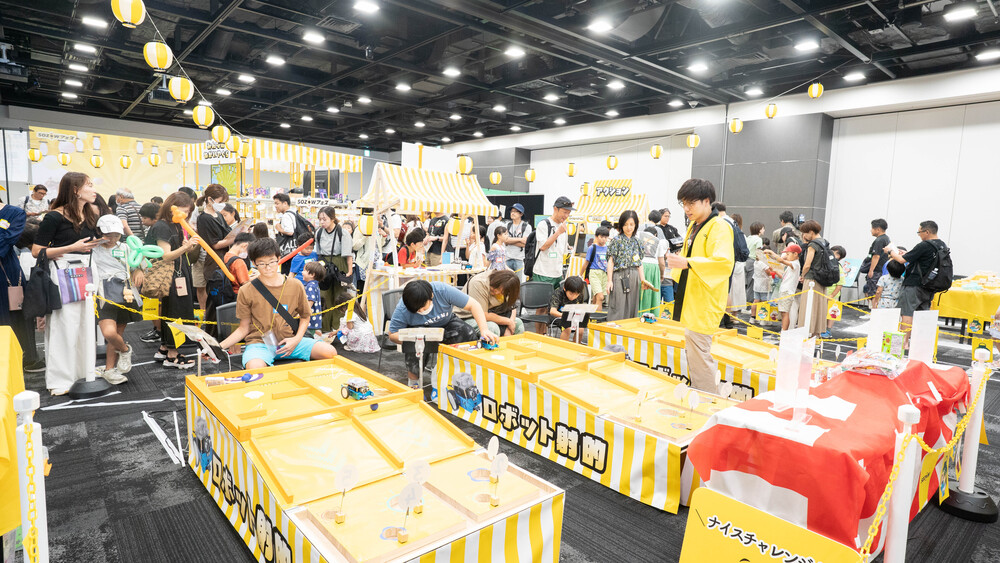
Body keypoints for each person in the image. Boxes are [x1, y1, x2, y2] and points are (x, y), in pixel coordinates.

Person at [32, 173, 105, 394]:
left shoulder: (91, 213)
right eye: (89, 185)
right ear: (75, 189)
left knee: (85, 324)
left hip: (87, 271)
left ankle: (84, 372)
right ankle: (61, 379)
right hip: (63, 273)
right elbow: (37, 251)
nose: (93, 190)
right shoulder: (54, 217)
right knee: (63, 326)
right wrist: (72, 248)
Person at [218, 238, 338, 368]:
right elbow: (243, 328)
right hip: (260, 344)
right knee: (255, 367)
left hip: (290, 341)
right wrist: (218, 348)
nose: (268, 267)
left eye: (272, 262)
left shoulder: (296, 285)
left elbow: (305, 316)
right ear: (253, 263)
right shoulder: (246, 290)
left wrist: (296, 339)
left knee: (330, 352)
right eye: (262, 263)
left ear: (278, 258)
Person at [669, 179, 734, 392]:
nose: (686, 209)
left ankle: (709, 400)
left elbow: (723, 263)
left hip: (705, 301)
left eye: (691, 203)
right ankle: (704, 396)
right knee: (696, 353)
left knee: (700, 356)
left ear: (707, 201)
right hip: (694, 298)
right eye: (684, 203)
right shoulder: (696, 226)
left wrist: (687, 262)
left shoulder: (719, 226)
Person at [388, 280, 497, 388]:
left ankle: (462, 375)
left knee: (467, 333)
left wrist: (484, 330)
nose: (421, 311)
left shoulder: (442, 291)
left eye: (423, 307)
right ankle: (413, 383)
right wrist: (413, 339)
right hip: (420, 331)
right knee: (414, 345)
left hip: (446, 323)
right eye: (417, 311)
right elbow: (392, 334)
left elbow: (474, 305)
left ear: (431, 296)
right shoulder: (403, 308)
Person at [146, 192, 201, 369]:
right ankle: (172, 354)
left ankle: (165, 348)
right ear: (172, 208)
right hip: (171, 275)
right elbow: (166, 256)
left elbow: (178, 251)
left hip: (178, 273)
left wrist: (188, 246)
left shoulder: (175, 224)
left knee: (174, 310)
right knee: (175, 312)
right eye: (183, 210)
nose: (185, 214)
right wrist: (186, 247)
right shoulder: (162, 226)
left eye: (188, 211)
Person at [91, 214, 143, 384]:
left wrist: (139, 270)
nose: (112, 239)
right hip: (102, 294)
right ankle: (125, 350)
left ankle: (109, 370)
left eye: (116, 235)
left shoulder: (126, 247)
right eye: (108, 234)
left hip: (124, 292)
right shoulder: (92, 248)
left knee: (117, 333)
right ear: (100, 231)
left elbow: (140, 260)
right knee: (109, 333)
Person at [886, 220, 948, 346]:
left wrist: (890, 251)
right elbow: (922, 259)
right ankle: (919, 344)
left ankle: (903, 343)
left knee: (907, 313)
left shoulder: (924, 245)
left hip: (914, 284)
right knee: (922, 315)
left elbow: (901, 260)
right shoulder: (942, 245)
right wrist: (907, 254)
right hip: (930, 285)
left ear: (927, 232)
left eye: (919, 232)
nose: (919, 235)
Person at [606, 210, 655, 322]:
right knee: (617, 306)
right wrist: (609, 281)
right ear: (621, 225)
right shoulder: (616, 241)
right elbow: (611, 261)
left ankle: (628, 330)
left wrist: (643, 280)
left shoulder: (638, 242)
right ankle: (614, 330)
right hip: (619, 276)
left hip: (634, 276)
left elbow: (639, 263)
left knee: (633, 306)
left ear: (636, 225)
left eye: (631, 224)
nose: (629, 227)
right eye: (626, 224)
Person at [196, 184, 237, 311]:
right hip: (214, 262)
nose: (222, 205)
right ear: (210, 199)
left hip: (225, 258)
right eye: (220, 202)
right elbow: (214, 245)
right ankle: (213, 322)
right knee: (215, 300)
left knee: (226, 296)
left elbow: (227, 233)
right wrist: (234, 238)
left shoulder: (218, 215)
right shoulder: (203, 218)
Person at [314, 206, 355, 332]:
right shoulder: (319, 232)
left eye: (324, 219)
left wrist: (349, 271)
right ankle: (325, 327)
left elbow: (348, 255)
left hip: (339, 264)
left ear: (332, 218)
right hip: (324, 264)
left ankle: (339, 328)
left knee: (340, 296)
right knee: (324, 295)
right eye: (320, 219)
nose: (322, 222)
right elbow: (318, 253)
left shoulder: (343, 233)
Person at [457, 269, 523, 337]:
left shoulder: (507, 284)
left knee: (518, 323)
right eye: (495, 289)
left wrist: (511, 322)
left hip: (494, 314)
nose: (497, 292)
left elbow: (512, 306)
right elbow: (483, 315)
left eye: (502, 292)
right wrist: (508, 322)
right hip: (468, 316)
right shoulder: (479, 283)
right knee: (492, 328)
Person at [796, 220, 830, 338]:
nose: (804, 236)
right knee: (820, 307)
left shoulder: (813, 245)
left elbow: (807, 264)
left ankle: (808, 334)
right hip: (822, 279)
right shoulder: (825, 242)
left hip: (811, 279)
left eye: (805, 233)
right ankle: (817, 334)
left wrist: (802, 275)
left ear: (811, 232)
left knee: (808, 306)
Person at [533, 197, 573, 289]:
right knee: (541, 298)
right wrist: (558, 232)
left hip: (558, 275)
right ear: (555, 209)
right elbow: (543, 247)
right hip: (542, 273)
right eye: (564, 212)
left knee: (556, 298)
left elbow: (562, 252)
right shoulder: (544, 224)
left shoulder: (564, 228)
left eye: (569, 213)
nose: (566, 215)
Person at [766, 244, 802, 331]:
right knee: (783, 313)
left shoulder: (795, 264)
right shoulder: (792, 265)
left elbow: (781, 260)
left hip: (787, 291)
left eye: (788, 254)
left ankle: (784, 331)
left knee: (785, 313)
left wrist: (771, 253)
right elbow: (783, 277)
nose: (786, 256)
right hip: (785, 290)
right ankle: (784, 330)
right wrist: (775, 271)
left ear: (795, 254)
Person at [863, 218, 891, 308]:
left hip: (877, 270)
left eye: (872, 228)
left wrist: (871, 270)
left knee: (873, 292)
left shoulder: (879, 240)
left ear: (878, 229)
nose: (870, 230)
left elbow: (876, 256)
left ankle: (873, 312)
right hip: (883, 270)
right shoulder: (886, 238)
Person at [549, 276, 587, 340]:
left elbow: (579, 307)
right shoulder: (558, 293)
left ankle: (576, 345)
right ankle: (563, 345)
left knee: (581, 328)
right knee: (568, 328)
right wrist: (566, 316)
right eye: (571, 294)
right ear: (564, 289)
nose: (573, 297)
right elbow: (552, 311)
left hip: (572, 316)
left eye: (576, 294)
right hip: (557, 315)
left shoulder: (580, 294)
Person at [581, 226, 609, 310]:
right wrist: (579, 275)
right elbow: (586, 263)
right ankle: (598, 317)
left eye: (605, 237)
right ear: (596, 237)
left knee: (596, 297)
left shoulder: (608, 249)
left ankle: (592, 315)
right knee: (600, 297)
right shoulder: (592, 248)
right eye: (601, 237)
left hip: (604, 274)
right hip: (594, 273)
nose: (604, 239)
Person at [639, 227, 665, 318]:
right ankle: (653, 315)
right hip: (653, 267)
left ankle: (638, 315)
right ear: (655, 234)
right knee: (653, 294)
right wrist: (662, 275)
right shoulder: (658, 241)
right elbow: (662, 262)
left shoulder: (639, 236)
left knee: (641, 292)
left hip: (640, 265)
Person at [272, 193, 297, 274]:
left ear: (285, 203)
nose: (275, 206)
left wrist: (279, 228)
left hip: (288, 251)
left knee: (286, 274)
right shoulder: (293, 213)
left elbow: (290, 232)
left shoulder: (286, 216)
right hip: (294, 249)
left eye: (277, 203)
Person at [505, 204, 531, 280]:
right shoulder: (507, 225)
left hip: (520, 259)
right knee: (506, 282)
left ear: (521, 214)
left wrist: (510, 240)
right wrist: (520, 239)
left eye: (515, 211)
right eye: (511, 211)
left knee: (519, 282)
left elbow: (525, 243)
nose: (512, 213)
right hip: (507, 258)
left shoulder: (526, 226)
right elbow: (505, 241)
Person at [302, 261, 325, 336]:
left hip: (310, 320)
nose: (302, 272)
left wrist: (303, 313)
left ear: (312, 275)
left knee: (307, 336)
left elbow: (310, 302)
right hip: (313, 319)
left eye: (304, 270)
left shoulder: (310, 286)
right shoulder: (314, 284)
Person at [751, 247, 772, 319]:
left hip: (756, 284)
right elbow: (768, 272)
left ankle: (753, 317)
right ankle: (762, 319)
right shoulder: (763, 263)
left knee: (756, 300)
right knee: (764, 301)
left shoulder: (756, 262)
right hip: (763, 285)